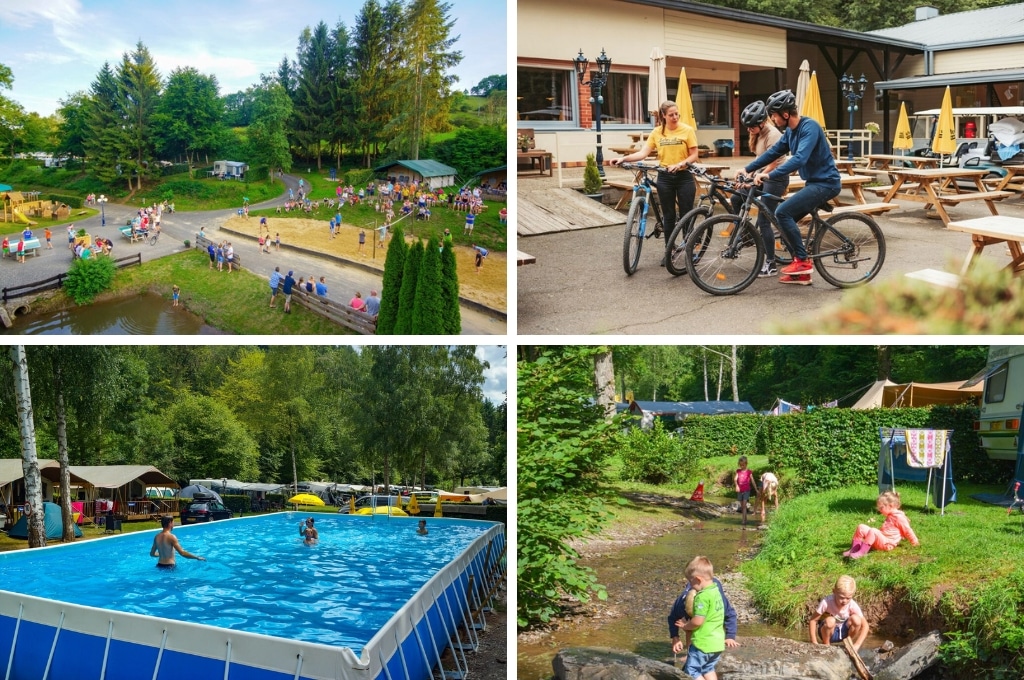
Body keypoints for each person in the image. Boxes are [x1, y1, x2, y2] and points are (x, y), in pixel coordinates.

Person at [744, 89, 841, 285]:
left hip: (827, 183)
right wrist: (748, 168)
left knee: (782, 212)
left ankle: (803, 263)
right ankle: (802, 273)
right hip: (814, 183)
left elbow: (799, 159)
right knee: (782, 221)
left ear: (785, 114)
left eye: (773, 115)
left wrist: (769, 174)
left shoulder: (810, 127)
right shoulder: (790, 132)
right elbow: (775, 152)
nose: (772, 118)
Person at [611, 100, 699, 249]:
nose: (675, 117)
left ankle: (689, 250)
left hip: (684, 176)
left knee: (686, 214)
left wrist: (679, 164)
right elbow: (643, 152)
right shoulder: (657, 132)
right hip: (665, 176)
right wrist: (623, 158)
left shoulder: (687, 130)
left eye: (677, 114)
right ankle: (669, 250)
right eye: (671, 115)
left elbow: (694, 155)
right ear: (663, 116)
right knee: (669, 216)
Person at [732, 101, 789, 278]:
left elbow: (773, 161)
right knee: (736, 198)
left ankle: (770, 263)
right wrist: (748, 175)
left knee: (764, 221)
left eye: (751, 126)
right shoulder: (757, 134)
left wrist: (756, 177)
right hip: (763, 174)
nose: (748, 130)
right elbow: (760, 159)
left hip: (776, 178)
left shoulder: (773, 134)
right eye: (747, 126)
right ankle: (749, 235)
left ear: (762, 122)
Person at [668, 564, 739, 657]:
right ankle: (690, 653)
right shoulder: (681, 605)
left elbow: (731, 615)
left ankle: (699, 650)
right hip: (695, 591)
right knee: (689, 625)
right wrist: (675, 637)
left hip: (709, 593)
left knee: (708, 624)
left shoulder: (718, 600)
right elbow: (672, 618)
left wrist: (730, 636)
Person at [674, 555, 726, 680]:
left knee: (692, 671)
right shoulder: (716, 591)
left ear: (698, 579)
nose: (691, 586)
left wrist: (686, 626)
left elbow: (698, 621)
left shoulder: (702, 597)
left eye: (690, 582)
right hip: (717, 644)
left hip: (703, 643)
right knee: (708, 669)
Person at [844, 490, 919, 559]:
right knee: (861, 527)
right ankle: (854, 549)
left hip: (888, 544)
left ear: (890, 505)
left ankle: (862, 552)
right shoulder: (891, 515)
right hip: (883, 539)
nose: (879, 510)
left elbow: (907, 530)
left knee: (873, 531)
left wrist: (915, 542)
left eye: (881, 508)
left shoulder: (899, 517)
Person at [808, 575, 869, 651]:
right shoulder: (827, 602)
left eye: (848, 598)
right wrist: (814, 642)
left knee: (856, 620)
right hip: (828, 631)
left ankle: (848, 643)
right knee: (830, 620)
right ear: (834, 592)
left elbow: (865, 626)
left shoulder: (852, 605)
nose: (845, 601)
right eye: (841, 597)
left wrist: (857, 644)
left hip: (844, 633)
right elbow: (813, 621)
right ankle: (826, 644)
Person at [734, 455, 754, 526]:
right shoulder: (738, 471)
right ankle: (745, 519)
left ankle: (743, 521)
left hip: (746, 491)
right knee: (742, 506)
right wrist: (736, 486)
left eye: (743, 465)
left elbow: (753, 481)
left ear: (746, 464)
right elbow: (735, 479)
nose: (742, 466)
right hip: (740, 491)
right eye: (740, 465)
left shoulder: (749, 472)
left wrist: (756, 490)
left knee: (745, 505)